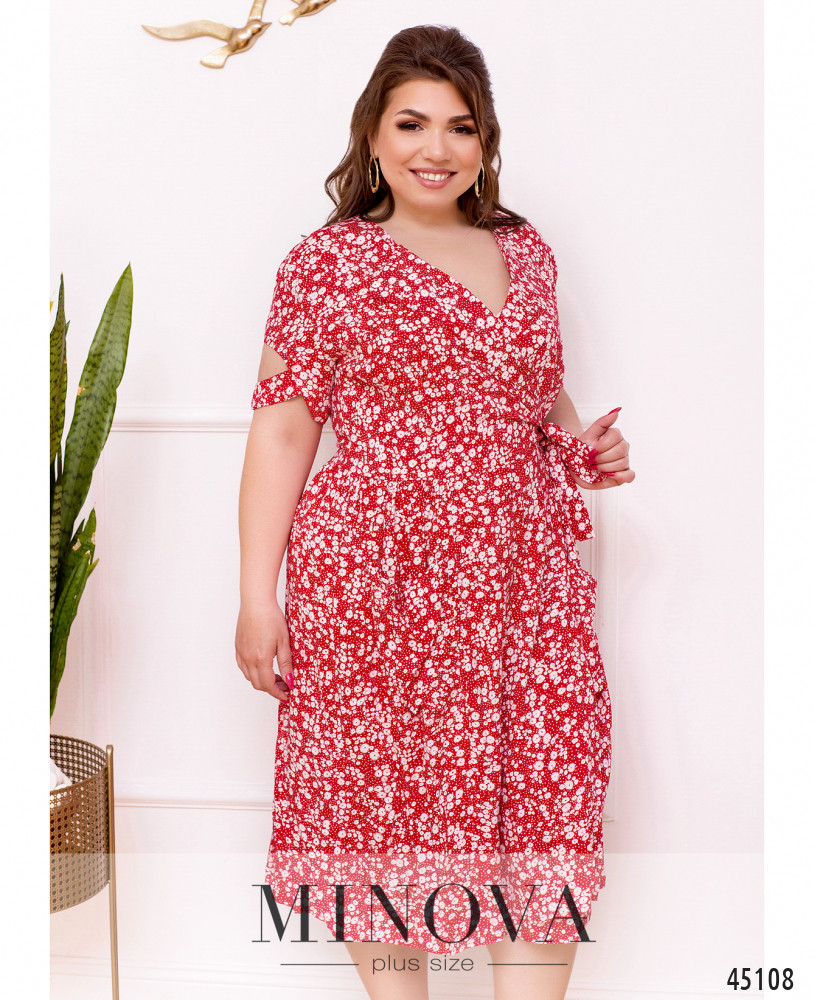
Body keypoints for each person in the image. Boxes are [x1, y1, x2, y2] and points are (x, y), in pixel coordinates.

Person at [236, 23, 634, 1000]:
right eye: (411, 123)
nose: (436, 148)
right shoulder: (325, 264)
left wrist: (584, 448)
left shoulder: (525, 253)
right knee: (379, 811)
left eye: (460, 126)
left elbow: (536, 392)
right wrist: (256, 596)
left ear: (485, 140)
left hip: (521, 577)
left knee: (549, 794)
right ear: (372, 133)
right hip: (377, 578)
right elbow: (282, 431)